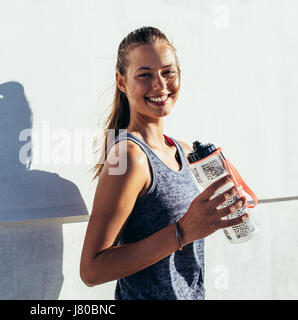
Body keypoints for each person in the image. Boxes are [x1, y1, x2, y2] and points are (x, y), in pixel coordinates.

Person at [80, 26, 249, 300]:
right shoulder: (129, 156)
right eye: (145, 75)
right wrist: (183, 231)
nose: (160, 84)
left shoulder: (182, 151)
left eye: (168, 72)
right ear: (122, 82)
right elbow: (91, 270)